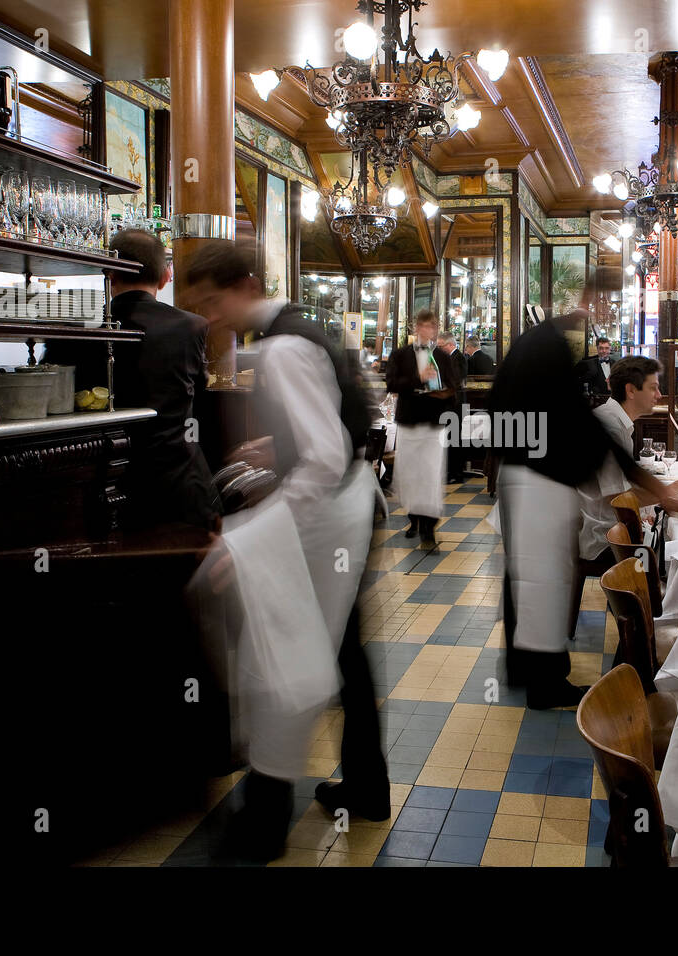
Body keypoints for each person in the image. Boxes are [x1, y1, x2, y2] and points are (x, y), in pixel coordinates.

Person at [185, 241, 384, 859]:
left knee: (285, 652)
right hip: (347, 506)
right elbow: (337, 428)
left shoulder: (281, 347)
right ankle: (365, 787)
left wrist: (261, 536)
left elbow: (324, 455)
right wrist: (279, 450)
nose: (209, 319)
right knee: (341, 652)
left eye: (212, 304)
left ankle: (266, 816)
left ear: (243, 286)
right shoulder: (300, 327)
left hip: (327, 521)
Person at [491, 306, 678, 709]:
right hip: (541, 489)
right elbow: (600, 441)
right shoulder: (549, 359)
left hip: (522, 483)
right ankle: (544, 686)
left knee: (526, 583)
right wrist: (657, 488)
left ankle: (521, 667)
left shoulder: (532, 359)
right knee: (543, 586)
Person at [44, 228, 219, 531]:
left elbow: (50, 405)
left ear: (110, 273)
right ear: (165, 277)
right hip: (182, 488)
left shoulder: (76, 332)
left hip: (101, 488)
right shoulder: (192, 327)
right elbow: (202, 404)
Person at [573, 356, 678, 632]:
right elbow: (617, 498)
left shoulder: (616, 420)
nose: (659, 395)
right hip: (598, 535)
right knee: (657, 554)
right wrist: (664, 495)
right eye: (653, 387)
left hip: (599, 522)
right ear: (631, 390)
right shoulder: (610, 426)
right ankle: (647, 626)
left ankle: (658, 612)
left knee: (662, 541)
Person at [385, 310, 457, 547]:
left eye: (433, 326)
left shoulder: (444, 357)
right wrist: (418, 377)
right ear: (416, 328)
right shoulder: (400, 355)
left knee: (430, 475)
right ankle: (413, 519)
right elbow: (392, 384)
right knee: (410, 474)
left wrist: (443, 391)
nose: (429, 330)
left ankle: (429, 528)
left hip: (433, 423)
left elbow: (453, 386)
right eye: (425, 326)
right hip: (409, 422)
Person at [436, 332, 468, 483]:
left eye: (440, 346)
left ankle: (456, 473)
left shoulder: (459, 358)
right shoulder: (448, 359)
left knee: (455, 439)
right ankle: (449, 471)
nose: (439, 349)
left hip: (455, 405)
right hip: (448, 404)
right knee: (448, 439)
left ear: (450, 345)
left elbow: (455, 380)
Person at [575, 337, 613, 404]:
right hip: (595, 400)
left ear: (610, 349)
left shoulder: (615, 364)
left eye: (606, 348)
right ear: (597, 349)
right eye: (601, 348)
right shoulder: (588, 363)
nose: (604, 351)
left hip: (612, 399)